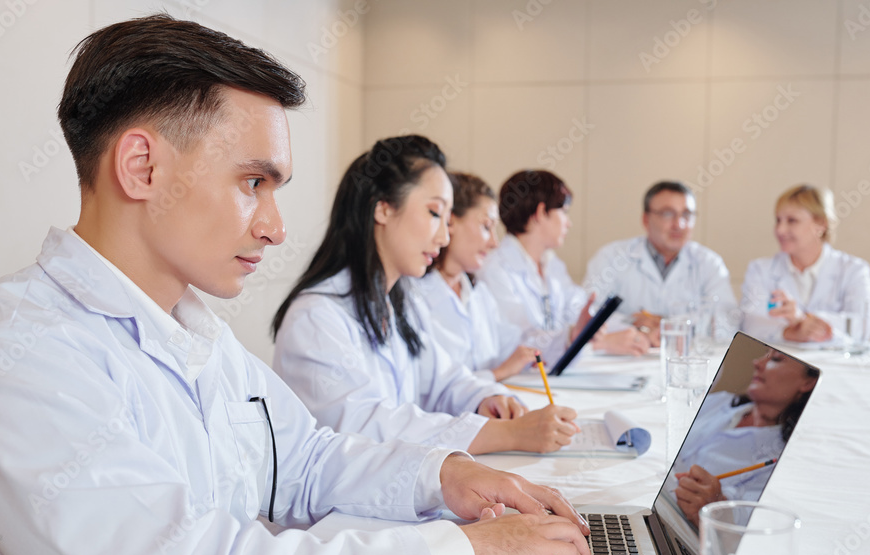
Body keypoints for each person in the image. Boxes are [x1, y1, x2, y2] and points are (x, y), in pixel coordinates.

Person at [0, 16, 593, 555]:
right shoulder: (17, 358)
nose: (274, 227)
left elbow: (306, 459)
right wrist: (464, 553)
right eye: (253, 183)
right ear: (142, 167)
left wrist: (443, 474)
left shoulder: (197, 333)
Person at [272, 137, 578, 455]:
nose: (444, 236)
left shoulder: (399, 304)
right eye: (434, 213)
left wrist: (488, 399)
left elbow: (444, 379)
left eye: (447, 221)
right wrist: (506, 435)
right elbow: (364, 428)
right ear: (384, 209)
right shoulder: (317, 317)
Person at [476, 170, 649, 363]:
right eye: (564, 212)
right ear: (541, 213)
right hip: (516, 381)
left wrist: (636, 328)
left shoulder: (552, 265)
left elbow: (579, 312)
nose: (569, 223)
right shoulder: (495, 269)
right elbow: (515, 342)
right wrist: (596, 342)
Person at [664, 349, 818, 527]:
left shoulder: (781, 457)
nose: (757, 363)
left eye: (776, 359)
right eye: (764, 355)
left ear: (808, 382)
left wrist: (718, 509)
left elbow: (748, 520)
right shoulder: (720, 402)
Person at [415, 172, 538, 382]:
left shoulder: (478, 294)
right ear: (450, 221)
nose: (494, 243)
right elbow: (430, 392)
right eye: (486, 227)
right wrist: (497, 374)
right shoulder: (415, 295)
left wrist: (571, 336)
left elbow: (513, 345)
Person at [583, 180, 736, 345]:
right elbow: (586, 316)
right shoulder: (612, 257)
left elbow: (728, 323)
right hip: (625, 361)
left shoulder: (709, 263)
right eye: (668, 214)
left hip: (685, 361)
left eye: (687, 215)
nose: (679, 224)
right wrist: (632, 324)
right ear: (646, 219)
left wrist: (668, 324)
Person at [740, 184, 870, 344]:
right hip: (779, 364)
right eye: (778, 220)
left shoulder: (853, 270)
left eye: (792, 221)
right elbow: (749, 324)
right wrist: (791, 332)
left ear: (821, 223)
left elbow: (862, 326)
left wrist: (802, 319)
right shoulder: (760, 269)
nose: (780, 230)